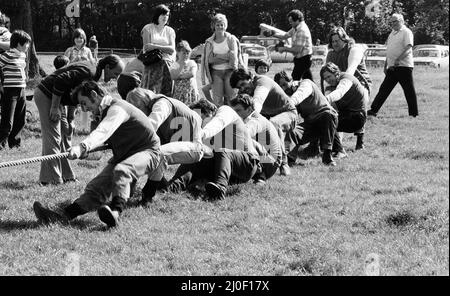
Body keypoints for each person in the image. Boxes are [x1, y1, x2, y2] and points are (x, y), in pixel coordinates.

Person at [32, 80, 165, 228]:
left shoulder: (118, 108)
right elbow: (98, 150)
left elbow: (103, 131)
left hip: (148, 152)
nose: (83, 109)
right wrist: (84, 152)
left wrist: (83, 147)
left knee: (122, 170)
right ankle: (62, 216)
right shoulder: (101, 114)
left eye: (84, 103)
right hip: (125, 155)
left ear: (94, 95)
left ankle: (115, 213)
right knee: (96, 187)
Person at [34, 55, 124, 185]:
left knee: (64, 134)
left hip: (58, 100)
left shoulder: (95, 72)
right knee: (53, 137)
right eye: (116, 73)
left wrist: (70, 115)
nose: (115, 77)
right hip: (47, 95)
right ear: (108, 67)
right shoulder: (90, 71)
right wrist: (54, 107)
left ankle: (67, 175)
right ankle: (50, 180)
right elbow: (60, 80)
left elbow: (74, 91)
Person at [125, 87, 210, 203]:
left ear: (145, 102)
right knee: (143, 152)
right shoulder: (154, 106)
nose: (138, 114)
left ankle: (147, 196)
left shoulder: (162, 104)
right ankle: (158, 188)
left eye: (138, 108)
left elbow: (152, 124)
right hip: (180, 142)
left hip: (194, 146)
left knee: (158, 155)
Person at [165, 99, 259, 200]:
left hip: (247, 164)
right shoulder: (205, 131)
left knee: (222, 151)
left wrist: (201, 133)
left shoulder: (225, 111)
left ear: (208, 113)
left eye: (198, 119)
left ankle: (220, 189)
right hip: (225, 170)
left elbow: (218, 123)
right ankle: (172, 186)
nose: (196, 124)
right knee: (196, 156)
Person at [230, 68, 297, 176]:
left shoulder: (262, 82)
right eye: (239, 87)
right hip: (267, 116)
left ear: (251, 77)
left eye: (243, 84)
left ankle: (284, 163)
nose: (242, 88)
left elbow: (258, 102)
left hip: (288, 113)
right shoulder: (244, 91)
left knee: (274, 123)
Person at [368, 13, 418, 118]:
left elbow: (409, 47)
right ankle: (373, 111)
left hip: (404, 66)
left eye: (395, 21)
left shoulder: (406, 32)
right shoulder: (392, 34)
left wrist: (398, 59)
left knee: (408, 90)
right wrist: (386, 64)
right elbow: (389, 50)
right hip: (392, 67)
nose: (393, 24)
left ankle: (413, 114)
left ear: (402, 21)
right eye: (391, 22)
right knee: (384, 89)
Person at [229, 94, 282, 185]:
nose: (235, 114)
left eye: (238, 110)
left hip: (270, 162)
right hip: (265, 157)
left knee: (243, 140)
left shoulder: (256, 120)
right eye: (233, 111)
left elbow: (245, 133)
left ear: (249, 109)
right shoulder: (244, 119)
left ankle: (261, 176)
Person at [286, 77, 338, 166]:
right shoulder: (290, 97)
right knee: (294, 131)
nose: (284, 88)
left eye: (285, 84)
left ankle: (327, 155)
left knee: (328, 115)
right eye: (281, 86)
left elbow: (300, 94)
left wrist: (288, 103)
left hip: (325, 118)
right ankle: (290, 159)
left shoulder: (306, 83)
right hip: (310, 124)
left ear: (292, 82)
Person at [320, 62, 368, 155]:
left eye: (329, 76)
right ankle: (323, 147)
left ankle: (339, 151)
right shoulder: (331, 86)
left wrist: (325, 100)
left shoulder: (346, 80)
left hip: (357, 117)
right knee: (324, 117)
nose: (328, 80)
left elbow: (339, 92)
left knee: (327, 121)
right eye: (325, 78)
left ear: (336, 73)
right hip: (349, 114)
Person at [201, 13, 244, 106]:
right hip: (215, 73)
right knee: (218, 100)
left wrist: (217, 56)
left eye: (222, 24)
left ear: (225, 26)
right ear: (213, 26)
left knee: (232, 98)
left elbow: (234, 57)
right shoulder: (209, 41)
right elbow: (210, 60)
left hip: (230, 72)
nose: (220, 27)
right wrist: (226, 57)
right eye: (217, 24)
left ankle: (233, 119)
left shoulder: (231, 39)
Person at [0, 30, 31, 150]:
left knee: (20, 119)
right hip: (10, 91)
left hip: (21, 90)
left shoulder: (22, 55)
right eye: (27, 44)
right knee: (8, 122)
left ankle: (15, 144)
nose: (28, 46)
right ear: (19, 43)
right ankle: (1, 143)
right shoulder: (7, 55)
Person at [265, 10, 313, 81]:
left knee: (295, 78)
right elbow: (285, 35)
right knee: (308, 80)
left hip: (304, 59)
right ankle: (316, 91)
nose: (290, 23)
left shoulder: (301, 30)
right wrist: (272, 34)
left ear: (297, 20)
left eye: (291, 21)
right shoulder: (296, 28)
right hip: (300, 58)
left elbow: (297, 50)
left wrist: (284, 48)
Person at [140, 4, 175, 97]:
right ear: (157, 15)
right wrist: (164, 48)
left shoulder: (170, 31)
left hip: (167, 66)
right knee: (149, 95)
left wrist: (155, 46)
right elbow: (147, 48)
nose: (165, 17)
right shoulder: (147, 28)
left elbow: (172, 50)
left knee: (166, 95)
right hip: (152, 65)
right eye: (163, 14)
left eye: (167, 15)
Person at [170, 40, 199, 104]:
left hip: (191, 92)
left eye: (187, 52)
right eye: (183, 53)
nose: (186, 55)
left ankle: (196, 114)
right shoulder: (175, 64)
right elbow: (172, 76)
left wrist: (179, 76)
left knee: (195, 110)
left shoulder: (191, 63)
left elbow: (191, 74)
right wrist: (181, 64)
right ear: (177, 52)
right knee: (180, 111)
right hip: (179, 93)